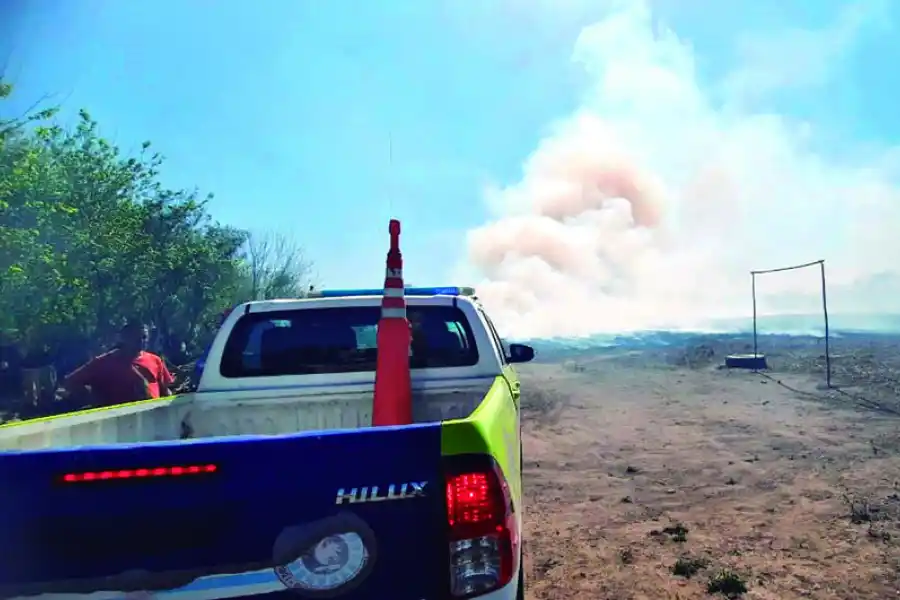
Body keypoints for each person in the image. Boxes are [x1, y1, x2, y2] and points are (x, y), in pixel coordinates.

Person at [63, 321, 174, 407]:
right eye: (135, 337)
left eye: (144, 337)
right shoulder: (104, 362)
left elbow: (164, 389)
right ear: (124, 338)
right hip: (119, 420)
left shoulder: (155, 360)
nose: (141, 341)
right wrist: (93, 398)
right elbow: (70, 382)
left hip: (152, 417)